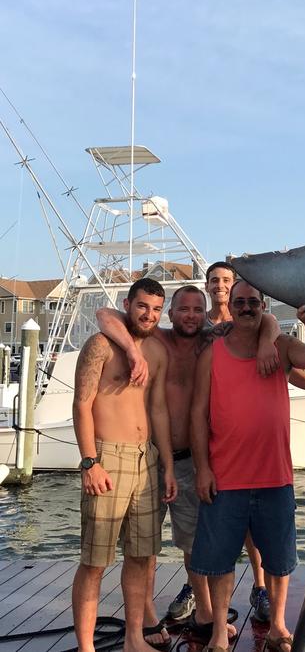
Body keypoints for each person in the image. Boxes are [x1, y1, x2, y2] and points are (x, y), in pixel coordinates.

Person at [95, 275, 305, 636]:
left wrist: (281, 341)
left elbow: (264, 321)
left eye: (196, 310)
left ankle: (206, 614)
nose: (189, 315)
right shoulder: (157, 338)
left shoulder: (213, 340)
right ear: (169, 313)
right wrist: (128, 347)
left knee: (192, 544)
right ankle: (149, 620)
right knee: (144, 546)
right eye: (182, 309)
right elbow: (105, 313)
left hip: (193, 460)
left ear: (207, 314)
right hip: (151, 455)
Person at [190, 280, 305, 652]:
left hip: (274, 477)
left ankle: (279, 627)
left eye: (253, 302)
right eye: (240, 302)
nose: (247, 307)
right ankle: (220, 630)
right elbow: (197, 414)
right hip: (225, 478)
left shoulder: (280, 347)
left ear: (263, 305)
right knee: (219, 563)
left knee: (279, 560)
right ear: (230, 307)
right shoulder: (212, 354)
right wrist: (202, 469)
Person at [71, 278, 177, 652]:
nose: (148, 315)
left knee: (140, 555)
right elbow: (81, 404)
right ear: (127, 304)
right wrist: (90, 462)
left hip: (145, 458)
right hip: (106, 456)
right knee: (95, 559)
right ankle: (87, 648)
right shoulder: (100, 345)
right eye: (142, 306)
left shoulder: (159, 352)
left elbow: (159, 410)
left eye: (155, 309)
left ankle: (134, 639)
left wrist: (166, 465)